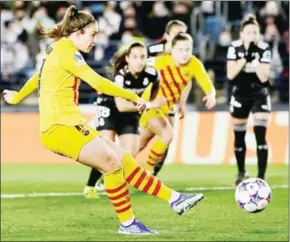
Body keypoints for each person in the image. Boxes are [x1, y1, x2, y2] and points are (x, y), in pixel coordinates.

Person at [3, 6, 204, 235]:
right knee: (111, 163)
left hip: (70, 124)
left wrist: (18, 96)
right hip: (59, 127)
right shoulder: (66, 52)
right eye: (92, 34)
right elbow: (98, 83)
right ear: (78, 33)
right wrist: (132, 95)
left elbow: (39, 75)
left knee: (124, 159)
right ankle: (128, 224)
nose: (95, 40)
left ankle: (174, 198)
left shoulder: (58, 49)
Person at [84, 42, 164, 199]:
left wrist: (149, 102)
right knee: (105, 149)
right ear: (127, 58)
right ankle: (91, 185)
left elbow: (156, 87)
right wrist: (149, 104)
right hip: (109, 106)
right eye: (135, 57)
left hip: (131, 110)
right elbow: (121, 105)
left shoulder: (152, 73)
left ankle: (109, 178)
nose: (139, 61)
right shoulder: (120, 75)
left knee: (129, 153)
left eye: (143, 57)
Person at [140, 33, 217, 174]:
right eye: (180, 50)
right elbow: (136, 70)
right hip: (150, 108)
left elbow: (206, 82)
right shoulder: (159, 62)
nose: (185, 53)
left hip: (167, 110)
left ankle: (109, 171)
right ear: (172, 50)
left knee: (138, 145)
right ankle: (149, 171)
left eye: (188, 49)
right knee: (167, 134)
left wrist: (211, 95)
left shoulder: (194, 64)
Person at [226, 14, 272, 186]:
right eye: (249, 32)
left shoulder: (264, 48)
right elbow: (231, 74)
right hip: (240, 94)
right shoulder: (234, 47)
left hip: (259, 94)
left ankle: (261, 177)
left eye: (255, 32)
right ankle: (241, 172)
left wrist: (254, 57)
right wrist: (245, 57)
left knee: (261, 135)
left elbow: (264, 77)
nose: (252, 36)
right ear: (242, 34)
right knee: (239, 136)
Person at [146, 19, 188, 177]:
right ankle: (111, 173)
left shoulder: (184, 55)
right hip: (151, 102)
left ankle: (153, 175)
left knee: (166, 140)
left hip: (169, 103)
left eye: (183, 33)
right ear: (167, 35)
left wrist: (182, 103)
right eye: (177, 33)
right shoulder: (154, 50)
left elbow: (187, 81)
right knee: (141, 141)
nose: (181, 37)